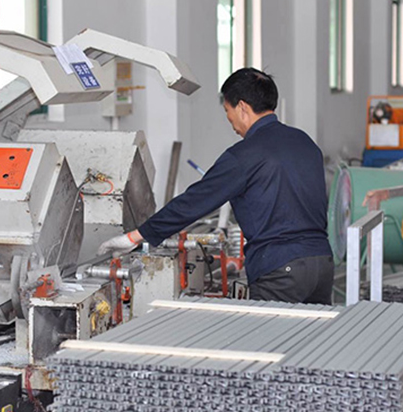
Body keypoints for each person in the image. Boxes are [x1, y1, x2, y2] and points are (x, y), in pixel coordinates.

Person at [98, 68, 334, 304]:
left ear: (242, 107)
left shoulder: (244, 155)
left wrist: (136, 237)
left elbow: (194, 201)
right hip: (322, 264)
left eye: (227, 111)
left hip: (280, 270)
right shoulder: (305, 143)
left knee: (271, 331)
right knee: (313, 329)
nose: (231, 123)